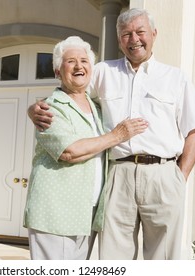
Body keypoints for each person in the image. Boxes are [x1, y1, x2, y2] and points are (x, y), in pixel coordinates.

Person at [28, 8, 195, 260]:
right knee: (114, 257)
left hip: (163, 175)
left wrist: (180, 177)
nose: (134, 39)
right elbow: (70, 89)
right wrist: (34, 107)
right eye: (126, 34)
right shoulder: (103, 71)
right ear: (119, 40)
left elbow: (194, 131)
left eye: (140, 32)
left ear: (154, 34)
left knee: (164, 257)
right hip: (118, 174)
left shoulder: (175, 78)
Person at [23, 36, 148, 260]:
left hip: (86, 212)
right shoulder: (50, 108)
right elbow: (70, 151)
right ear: (57, 72)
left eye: (84, 61)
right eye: (71, 61)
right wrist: (117, 135)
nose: (79, 66)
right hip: (56, 212)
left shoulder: (96, 106)